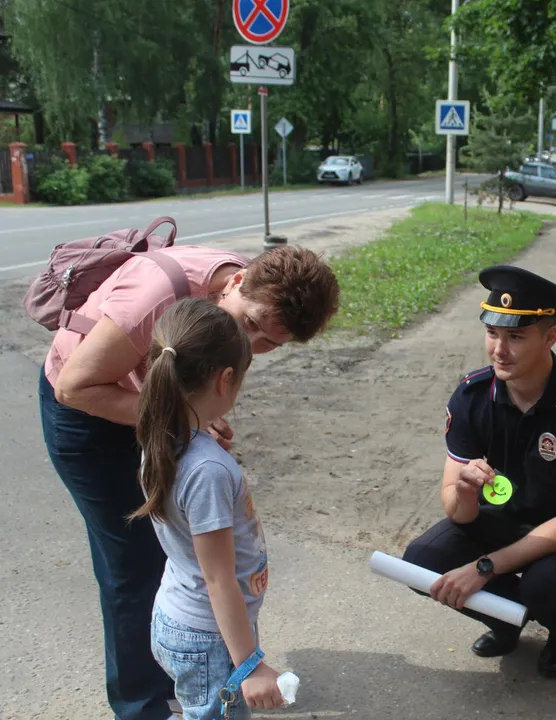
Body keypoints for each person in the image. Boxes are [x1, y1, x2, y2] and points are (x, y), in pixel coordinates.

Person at [38, 244, 339, 720]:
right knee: (128, 569)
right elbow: (74, 388)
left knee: (173, 551)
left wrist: (187, 421)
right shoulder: (157, 296)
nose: (253, 344)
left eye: (270, 343)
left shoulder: (236, 301)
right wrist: (181, 420)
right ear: (239, 281)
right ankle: (140, 708)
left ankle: (181, 674)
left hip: (151, 410)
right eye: (252, 324)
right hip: (85, 409)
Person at [403, 265, 556, 679]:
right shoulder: (472, 394)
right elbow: (457, 513)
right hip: (504, 518)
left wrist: (483, 568)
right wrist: (467, 493)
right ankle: (502, 620)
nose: (499, 350)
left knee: (546, 587)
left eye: (516, 337)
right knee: (421, 561)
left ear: (550, 337)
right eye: (493, 333)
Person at [132, 297, 282, 720]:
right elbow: (219, 580)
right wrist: (250, 665)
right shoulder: (208, 470)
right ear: (226, 379)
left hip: (180, 614)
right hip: (209, 634)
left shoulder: (161, 438)